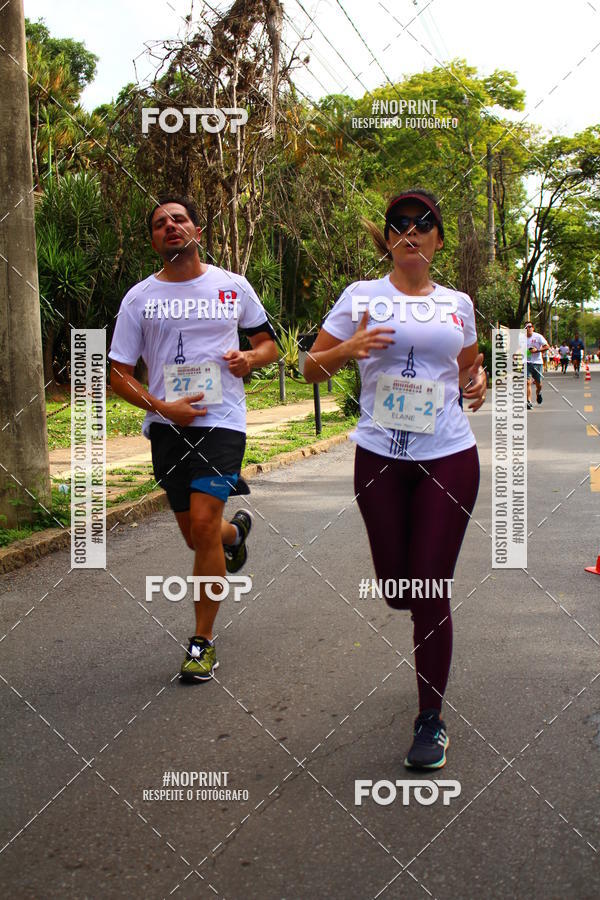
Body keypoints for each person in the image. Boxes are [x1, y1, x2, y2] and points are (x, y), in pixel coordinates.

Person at [304, 189, 486, 769]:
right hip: (380, 457)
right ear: (387, 238)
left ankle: (430, 720)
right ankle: (418, 617)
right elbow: (310, 366)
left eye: (423, 223)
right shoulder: (361, 297)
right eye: (399, 224)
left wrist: (477, 389)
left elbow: (467, 369)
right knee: (398, 589)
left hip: (448, 455)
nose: (411, 231)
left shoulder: (458, 303)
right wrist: (352, 346)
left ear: (437, 239)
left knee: (431, 587)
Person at [109, 195, 278, 681]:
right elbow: (118, 374)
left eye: (179, 219)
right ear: (154, 240)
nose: (170, 226)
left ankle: (202, 642)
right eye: (160, 223)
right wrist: (163, 408)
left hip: (223, 420)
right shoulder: (139, 298)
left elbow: (268, 345)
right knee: (196, 535)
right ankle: (236, 534)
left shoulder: (231, 286)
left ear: (197, 231)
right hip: (168, 427)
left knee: (202, 525)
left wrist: (250, 360)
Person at [524, 321, 549, 409]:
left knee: (539, 384)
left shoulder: (538, 337)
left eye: (530, 326)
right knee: (527, 382)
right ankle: (528, 401)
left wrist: (537, 350)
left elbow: (547, 346)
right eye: (526, 327)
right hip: (526, 362)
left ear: (533, 328)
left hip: (537, 363)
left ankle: (538, 393)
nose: (528, 328)